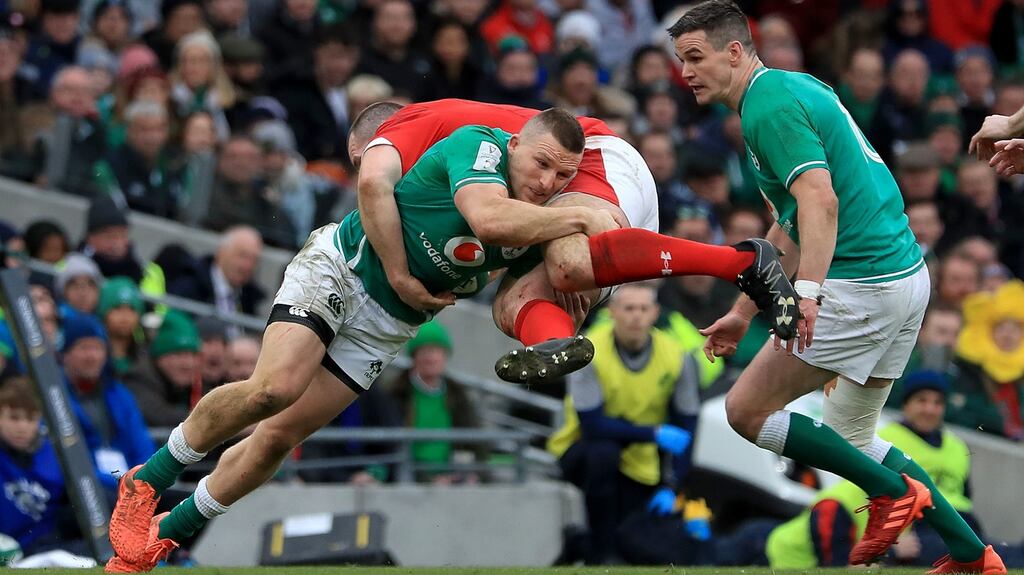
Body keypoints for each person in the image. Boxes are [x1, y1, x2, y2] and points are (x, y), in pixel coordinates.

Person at [102, 108, 609, 572]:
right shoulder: (481, 149)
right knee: (273, 389)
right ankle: (147, 480)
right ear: (517, 144)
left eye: (564, 176)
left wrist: (563, 296)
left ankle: (159, 540)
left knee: (278, 438)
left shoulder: (541, 215)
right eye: (543, 164)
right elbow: (484, 218)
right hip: (343, 268)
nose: (548, 182)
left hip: (388, 325)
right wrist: (585, 216)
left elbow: (512, 295)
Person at [668, 2, 1003, 572]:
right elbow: (796, 224)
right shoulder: (789, 88)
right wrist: (745, 312)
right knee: (851, 434)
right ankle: (974, 555)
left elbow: (821, 203)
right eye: (680, 60)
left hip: (861, 284)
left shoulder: (766, 108)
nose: (686, 72)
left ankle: (891, 494)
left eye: (695, 57)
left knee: (745, 411)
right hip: (904, 277)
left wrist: (809, 295)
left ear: (734, 51)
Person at [346, 98, 798, 387]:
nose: (365, 169)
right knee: (512, 307)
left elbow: (376, 183)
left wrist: (397, 272)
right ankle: (556, 343)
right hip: (578, 183)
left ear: (379, 137)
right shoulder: (449, 176)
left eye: (360, 157)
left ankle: (741, 261)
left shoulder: (406, 129)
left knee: (568, 261)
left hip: (593, 157)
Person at [547, 282, 700, 564]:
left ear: (655, 313)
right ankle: (599, 556)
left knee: (637, 537)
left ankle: (582, 545)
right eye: (629, 308)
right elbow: (592, 425)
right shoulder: (587, 351)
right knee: (604, 452)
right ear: (612, 311)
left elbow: (688, 423)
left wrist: (674, 485)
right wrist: (653, 433)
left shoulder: (677, 356)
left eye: (643, 309)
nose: (636, 316)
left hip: (641, 459)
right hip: (581, 450)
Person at [765, 372, 982, 568]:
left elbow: (964, 496)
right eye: (921, 400)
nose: (929, 409)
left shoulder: (957, 447)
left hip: (933, 524)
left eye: (937, 403)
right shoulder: (884, 439)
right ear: (906, 405)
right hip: (897, 527)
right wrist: (893, 548)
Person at [384, 321, 484, 484]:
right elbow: (390, 445)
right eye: (424, 351)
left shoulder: (457, 394)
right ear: (414, 356)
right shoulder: (397, 393)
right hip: (410, 475)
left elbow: (473, 439)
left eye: (437, 351)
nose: (431, 357)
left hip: (452, 473)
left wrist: (473, 473)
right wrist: (430, 479)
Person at [122, 311, 203, 428]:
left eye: (193, 355)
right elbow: (159, 415)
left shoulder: (193, 383)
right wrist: (207, 420)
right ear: (160, 357)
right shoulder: (138, 379)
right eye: (179, 354)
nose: (188, 363)